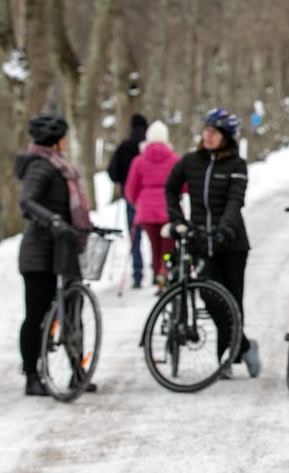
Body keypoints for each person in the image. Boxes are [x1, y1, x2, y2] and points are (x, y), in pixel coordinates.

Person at [164, 108, 261, 379]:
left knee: (232, 300)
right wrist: (177, 219)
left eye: (214, 132)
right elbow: (170, 189)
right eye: (206, 130)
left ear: (227, 138)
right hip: (198, 240)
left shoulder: (236, 166)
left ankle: (226, 356)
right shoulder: (190, 162)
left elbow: (235, 201)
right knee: (211, 297)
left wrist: (225, 229)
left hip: (231, 244)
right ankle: (243, 345)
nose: (208, 135)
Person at [14, 113, 95, 396]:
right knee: (37, 315)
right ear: (56, 141)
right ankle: (32, 375)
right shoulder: (41, 167)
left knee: (73, 309)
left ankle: (77, 369)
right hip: (39, 253)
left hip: (63, 249)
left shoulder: (60, 167)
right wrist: (54, 221)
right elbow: (27, 202)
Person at [124, 120, 180, 290]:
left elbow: (130, 188)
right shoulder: (175, 159)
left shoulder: (139, 161)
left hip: (146, 210)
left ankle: (158, 275)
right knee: (168, 245)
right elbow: (184, 185)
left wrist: (136, 203)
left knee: (154, 246)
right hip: (168, 209)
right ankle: (164, 272)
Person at [107, 113, 148, 288]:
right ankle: (159, 271)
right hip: (149, 198)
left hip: (130, 197)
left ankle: (137, 273)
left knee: (135, 235)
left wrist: (122, 181)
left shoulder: (125, 146)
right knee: (155, 236)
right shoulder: (150, 146)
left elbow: (112, 171)